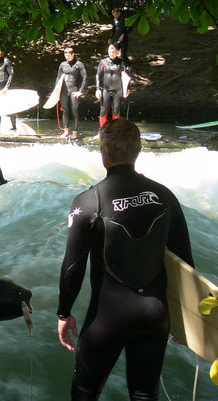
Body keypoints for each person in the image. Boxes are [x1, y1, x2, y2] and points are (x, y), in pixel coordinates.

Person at [57, 118, 193, 400]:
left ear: (104, 151)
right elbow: (185, 262)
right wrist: (184, 318)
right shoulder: (165, 196)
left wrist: (63, 312)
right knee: (144, 394)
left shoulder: (89, 201)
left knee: (84, 392)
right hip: (155, 315)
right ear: (138, 150)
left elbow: (73, 266)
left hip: (107, 318)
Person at [95, 43, 130, 129]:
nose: (111, 53)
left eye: (113, 51)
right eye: (110, 51)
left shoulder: (121, 63)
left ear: (117, 52)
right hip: (106, 90)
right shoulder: (103, 62)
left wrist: (128, 89)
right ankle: (102, 132)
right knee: (103, 110)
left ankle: (115, 131)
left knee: (116, 110)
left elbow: (127, 77)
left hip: (117, 90)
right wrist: (97, 89)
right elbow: (98, 76)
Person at [56, 47, 88, 139]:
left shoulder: (79, 64)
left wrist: (80, 91)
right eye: (65, 54)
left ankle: (75, 132)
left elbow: (85, 77)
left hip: (74, 91)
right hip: (64, 91)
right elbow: (58, 78)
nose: (67, 56)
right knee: (65, 110)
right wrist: (56, 92)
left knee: (74, 110)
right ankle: (66, 130)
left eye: (68, 54)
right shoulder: (62, 65)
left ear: (73, 54)